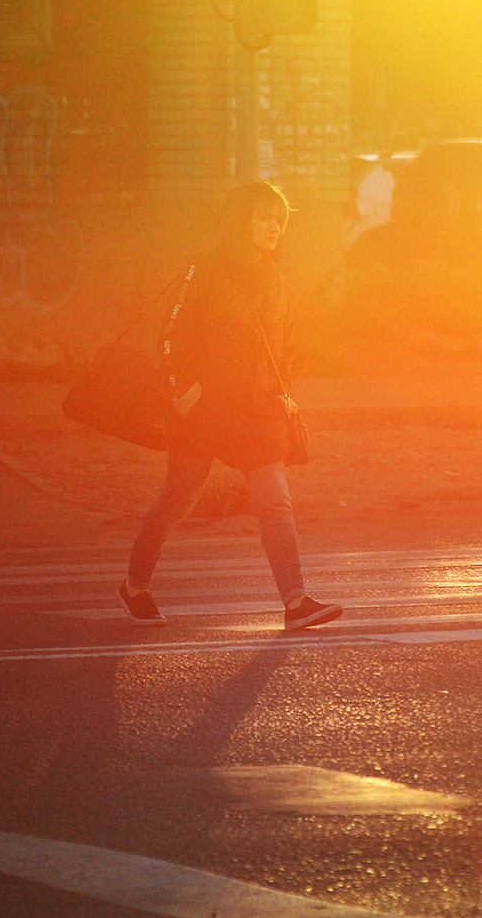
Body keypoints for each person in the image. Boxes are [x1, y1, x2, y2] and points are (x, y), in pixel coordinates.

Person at [119, 181, 340, 633]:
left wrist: (284, 391)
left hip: (258, 412)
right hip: (205, 411)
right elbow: (168, 335)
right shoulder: (205, 270)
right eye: (263, 217)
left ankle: (296, 601)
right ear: (242, 222)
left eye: (279, 220)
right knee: (178, 500)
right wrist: (182, 388)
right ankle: (135, 584)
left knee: (275, 501)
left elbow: (285, 346)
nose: (273, 227)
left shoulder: (276, 280)